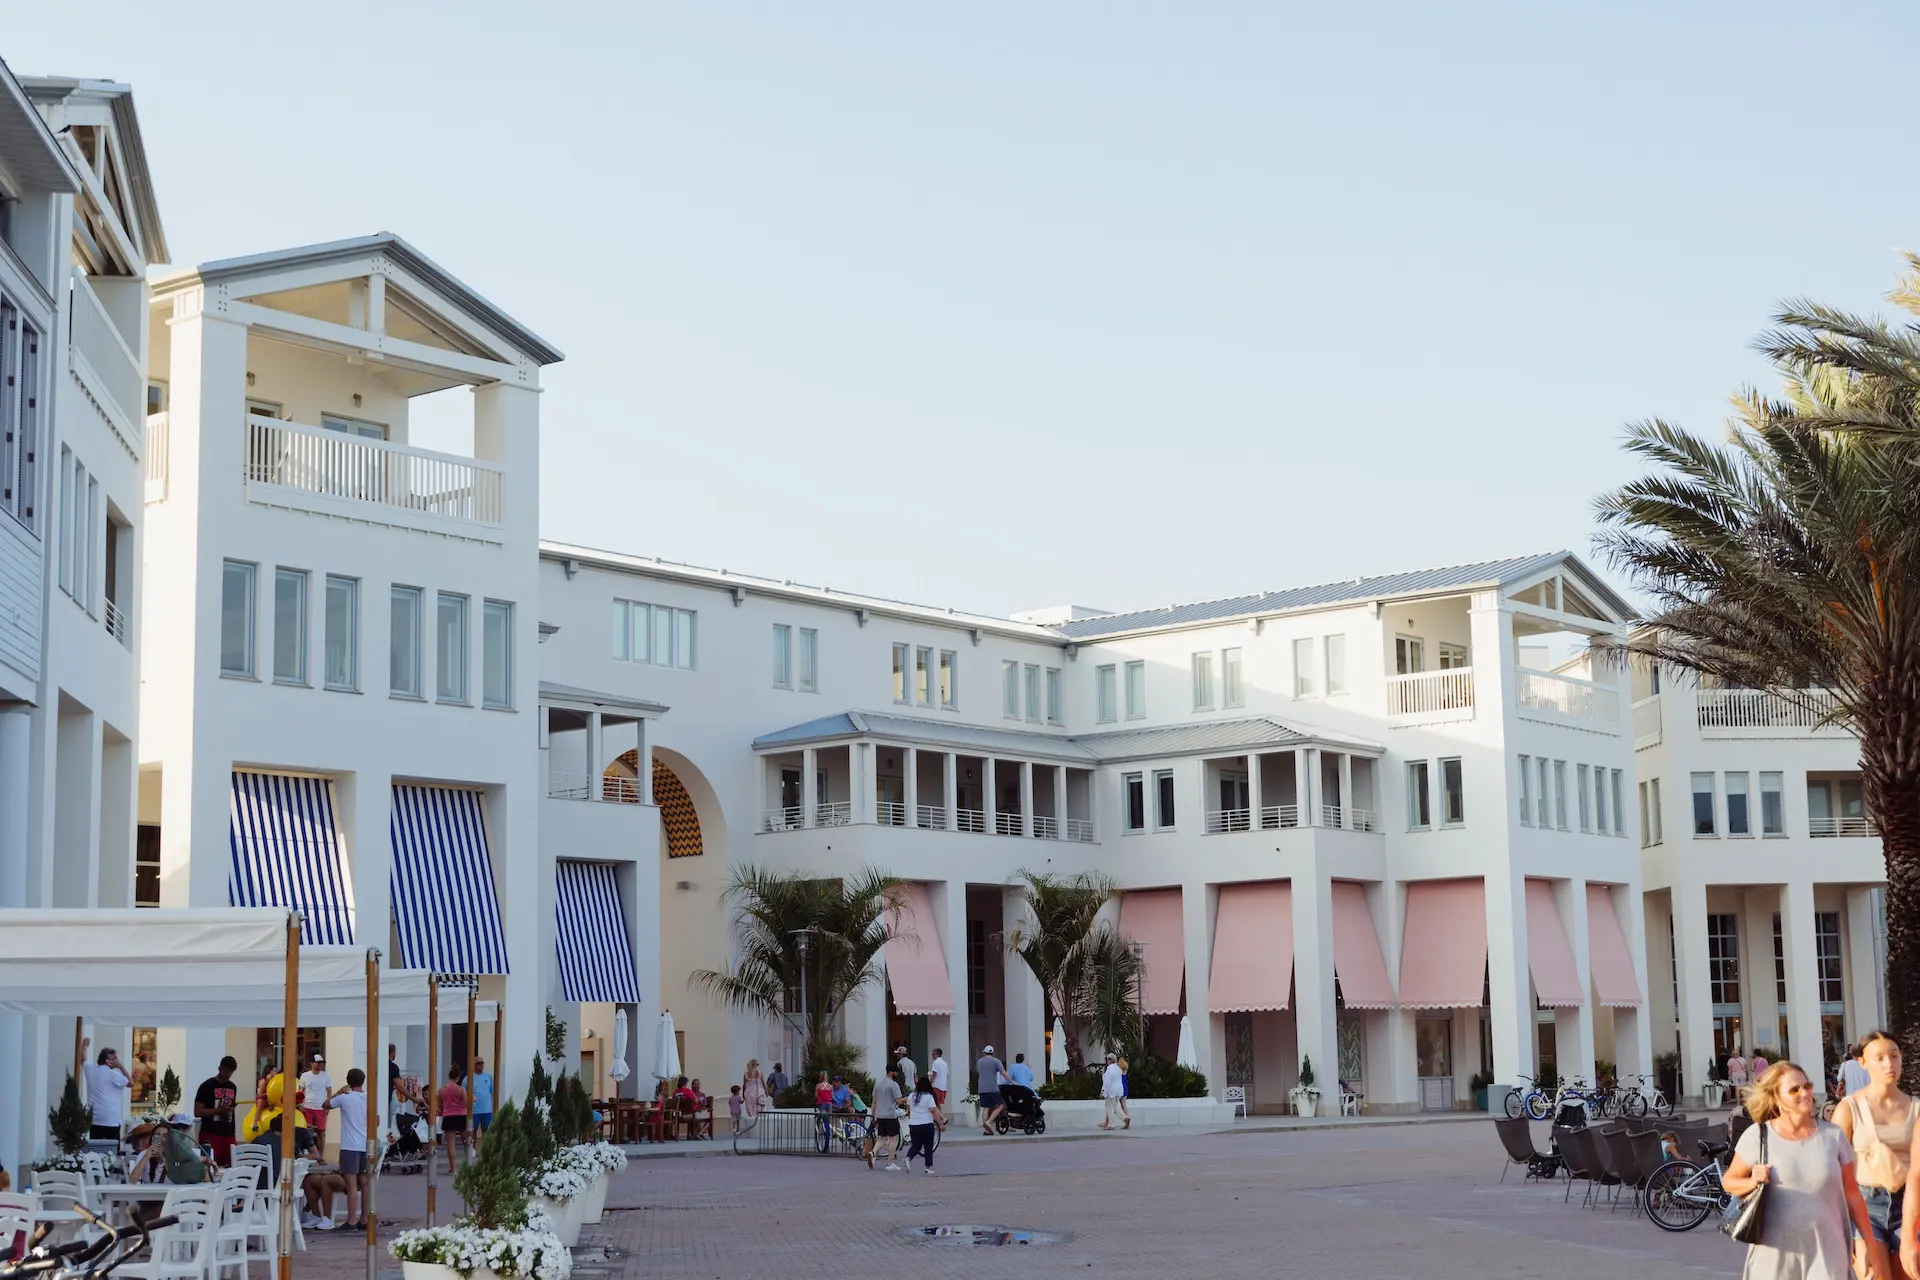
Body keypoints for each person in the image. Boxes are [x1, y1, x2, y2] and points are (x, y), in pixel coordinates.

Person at [1722, 1059, 1874, 1280]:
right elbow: (1729, 1182)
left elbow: (1852, 1194)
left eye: (1807, 1085)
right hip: (1773, 1257)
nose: (1805, 1093)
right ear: (1777, 1099)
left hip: (1828, 1254)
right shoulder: (1758, 1136)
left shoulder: (1833, 1136)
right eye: (1794, 1089)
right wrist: (1752, 1181)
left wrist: (1867, 1243)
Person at [1840, 1032, 1916, 1280]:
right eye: (1879, 1058)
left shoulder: (1915, 1108)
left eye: (1894, 1056)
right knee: (1875, 1275)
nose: (1889, 1064)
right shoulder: (1849, 1108)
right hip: (1865, 1205)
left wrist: (1909, 1237)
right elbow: (1833, 1168)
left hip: (1910, 1204)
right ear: (1862, 1062)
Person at [325, 1068, 370, 1230]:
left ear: (348, 1081)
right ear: (363, 1080)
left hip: (349, 1146)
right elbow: (376, 1121)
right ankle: (364, 1219)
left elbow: (325, 1105)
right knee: (365, 1183)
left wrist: (339, 1092)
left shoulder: (344, 1098)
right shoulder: (370, 1098)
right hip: (365, 1145)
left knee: (351, 1185)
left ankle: (351, 1221)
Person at [128, 1115, 209, 1185]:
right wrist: (146, 1157)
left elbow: (178, 1179)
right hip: (150, 1195)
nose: (162, 1139)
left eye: (165, 1136)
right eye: (158, 1135)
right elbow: (132, 1181)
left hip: (172, 1194)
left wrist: (163, 1158)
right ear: (153, 1138)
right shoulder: (144, 1154)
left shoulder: (178, 1155)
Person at [194, 1055, 241, 1167]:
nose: (228, 1075)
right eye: (226, 1071)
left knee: (229, 1166)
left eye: (231, 1072)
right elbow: (197, 1112)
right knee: (209, 1165)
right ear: (220, 1069)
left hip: (228, 1133)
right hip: (210, 1133)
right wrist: (219, 1110)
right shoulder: (206, 1086)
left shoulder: (232, 1087)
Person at [80, 1040, 131, 1141]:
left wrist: (84, 1047)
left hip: (94, 1119)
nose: (117, 1060)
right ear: (107, 1061)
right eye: (115, 1058)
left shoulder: (91, 1069)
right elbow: (131, 1083)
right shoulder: (113, 1074)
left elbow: (83, 1060)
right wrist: (121, 1067)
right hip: (111, 1120)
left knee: (96, 1148)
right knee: (112, 1148)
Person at [902, 1074, 944, 1176]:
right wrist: (940, 1123)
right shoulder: (928, 1097)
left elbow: (908, 1111)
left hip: (913, 1124)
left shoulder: (911, 1096)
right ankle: (927, 1167)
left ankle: (908, 1158)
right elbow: (933, 1111)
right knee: (928, 1146)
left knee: (916, 1146)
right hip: (926, 1124)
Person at [869, 1065, 904, 1171]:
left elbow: (874, 1101)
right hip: (890, 1115)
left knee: (883, 1138)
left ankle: (873, 1152)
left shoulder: (878, 1084)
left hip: (880, 1115)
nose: (897, 1074)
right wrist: (908, 1098)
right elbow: (898, 1101)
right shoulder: (894, 1085)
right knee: (893, 1139)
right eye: (896, 1072)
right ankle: (889, 1163)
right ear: (891, 1072)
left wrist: (873, 1115)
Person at [438, 1066, 468, 1173]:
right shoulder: (461, 1089)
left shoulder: (441, 1090)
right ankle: (468, 1164)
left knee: (451, 1144)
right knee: (466, 1142)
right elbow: (466, 1104)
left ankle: (453, 1168)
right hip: (461, 1116)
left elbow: (440, 1107)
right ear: (458, 1077)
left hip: (448, 1116)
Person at [299, 1053, 333, 1142]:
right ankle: (309, 1148)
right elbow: (301, 1091)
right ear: (312, 1063)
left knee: (321, 1131)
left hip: (320, 1107)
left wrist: (328, 1106)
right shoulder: (305, 1076)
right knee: (307, 1131)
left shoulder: (326, 1075)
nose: (320, 1065)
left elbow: (329, 1091)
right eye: (318, 1063)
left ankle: (321, 1151)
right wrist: (301, 1105)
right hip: (307, 1107)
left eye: (322, 1063)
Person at [977, 1046, 1008, 1136]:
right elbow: (1003, 1073)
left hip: (982, 1087)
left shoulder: (979, 1061)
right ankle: (989, 1122)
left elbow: (979, 1072)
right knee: (1000, 1106)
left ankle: (986, 1130)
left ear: (984, 1052)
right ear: (993, 1052)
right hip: (993, 1088)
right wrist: (1012, 1082)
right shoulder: (996, 1061)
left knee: (986, 1107)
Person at [470, 1057, 494, 1146]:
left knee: (487, 1130)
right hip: (474, 1110)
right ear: (473, 1065)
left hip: (486, 1110)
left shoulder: (488, 1077)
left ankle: (486, 1148)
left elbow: (491, 1091)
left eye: (482, 1063)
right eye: (479, 1063)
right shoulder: (469, 1078)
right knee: (472, 1131)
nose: (481, 1065)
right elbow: (464, 1092)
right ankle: (472, 1149)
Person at [1099, 1053, 1127, 1131]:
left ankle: (1111, 1125)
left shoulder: (1110, 1069)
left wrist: (1103, 1091)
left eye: (1107, 1059)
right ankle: (1125, 1118)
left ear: (1110, 1060)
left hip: (1111, 1091)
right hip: (1119, 1090)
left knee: (1109, 1107)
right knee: (1116, 1105)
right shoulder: (1118, 1068)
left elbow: (1107, 1081)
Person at [1117, 1054, 1132, 1129]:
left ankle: (1125, 1118)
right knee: (1124, 1104)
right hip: (1125, 1087)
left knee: (1115, 1103)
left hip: (1120, 1087)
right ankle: (1127, 1117)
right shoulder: (1125, 1067)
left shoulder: (1118, 1068)